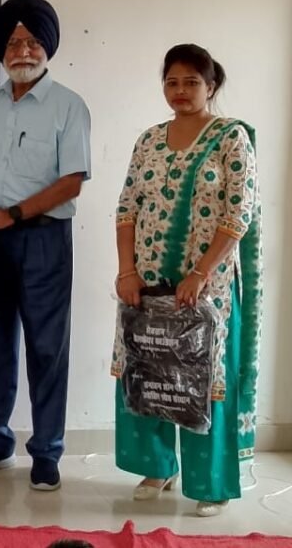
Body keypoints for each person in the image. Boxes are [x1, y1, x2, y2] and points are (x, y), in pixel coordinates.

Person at [112, 44, 262, 517]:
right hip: (147, 283)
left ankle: (210, 484)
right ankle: (158, 467)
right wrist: (126, 271)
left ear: (210, 86)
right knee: (151, 370)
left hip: (207, 288)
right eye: (172, 82)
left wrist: (201, 273)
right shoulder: (149, 140)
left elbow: (237, 214)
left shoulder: (231, 138)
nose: (180, 90)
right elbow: (127, 208)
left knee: (204, 379)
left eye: (191, 82)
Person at [0, 0, 91, 490]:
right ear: (2, 50)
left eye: (33, 41)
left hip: (44, 241)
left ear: (47, 47)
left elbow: (71, 182)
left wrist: (11, 214)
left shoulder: (69, 106)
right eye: (13, 42)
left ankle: (47, 451)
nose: (23, 51)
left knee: (46, 348)